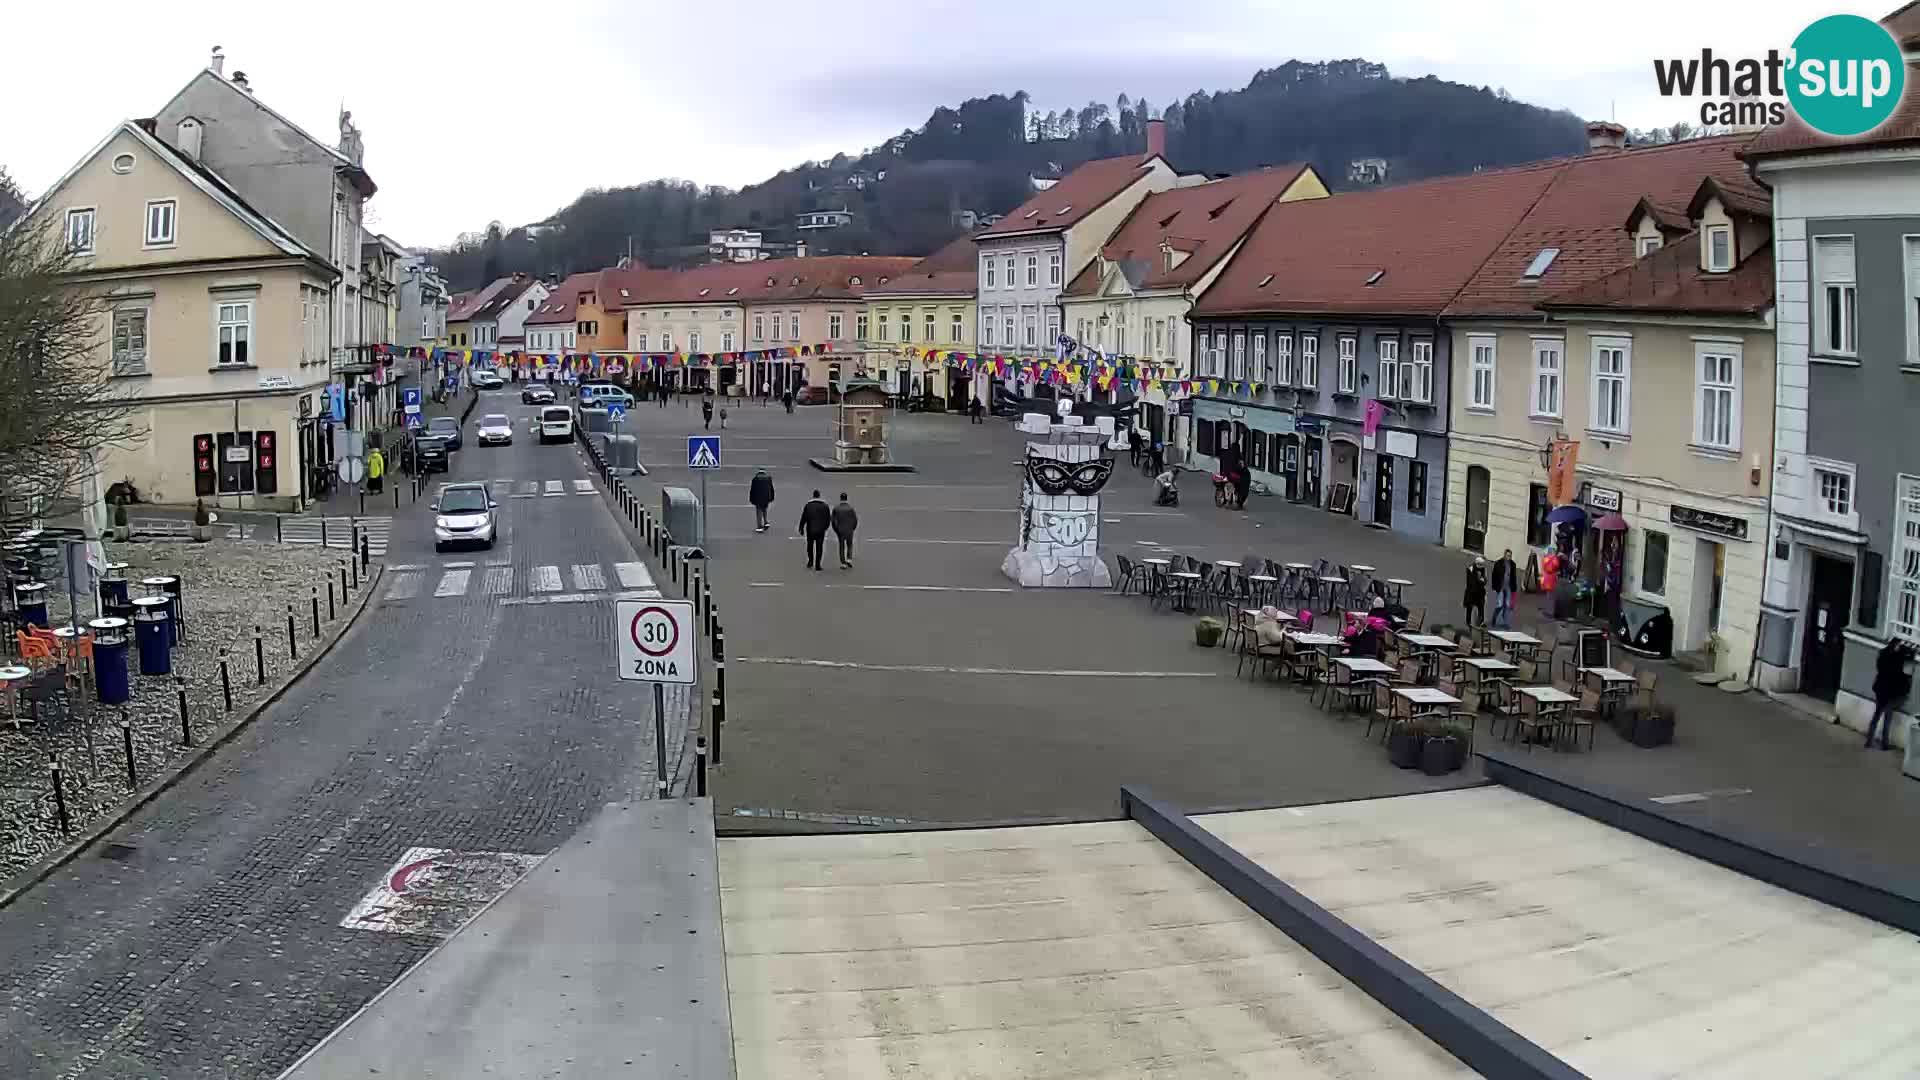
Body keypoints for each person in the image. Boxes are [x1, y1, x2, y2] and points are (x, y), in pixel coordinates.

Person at [1866, 638, 1915, 751]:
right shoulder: (1897, 658)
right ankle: (1884, 744)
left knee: (1876, 715)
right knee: (1887, 718)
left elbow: (1879, 668)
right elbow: (1902, 672)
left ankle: (1869, 740)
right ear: (1896, 645)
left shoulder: (1883, 654)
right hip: (1890, 693)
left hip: (1880, 690)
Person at [798, 490, 832, 570]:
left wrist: (801, 527)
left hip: (810, 528)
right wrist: (825, 527)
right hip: (820, 529)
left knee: (810, 546)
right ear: (819, 496)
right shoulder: (825, 506)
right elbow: (828, 519)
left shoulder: (808, 505)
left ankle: (810, 561)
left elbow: (804, 517)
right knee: (819, 547)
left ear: (813, 496)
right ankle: (818, 564)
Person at [1490, 548, 1518, 629]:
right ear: (1504, 555)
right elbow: (1494, 575)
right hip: (1500, 586)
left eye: (1510, 556)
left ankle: (1505, 623)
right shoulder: (1498, 563)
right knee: (1500, 605)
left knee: (1507, 605)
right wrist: (1494, 586)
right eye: (1508, 555)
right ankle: (1494, 618)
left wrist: (1514, 589)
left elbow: (1514, 577)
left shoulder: (1513, 564)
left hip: (1508, 587)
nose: (1509, 557)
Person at [831, 492, 859, 569]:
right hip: (849, 530)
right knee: (849, 545)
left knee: (841, 546)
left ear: (840, 498)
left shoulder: (836, 508)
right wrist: (853, 528)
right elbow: (855, 520)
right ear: (846, 498)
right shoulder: (851, 508)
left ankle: (843, 563)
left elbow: (833, 521)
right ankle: (849, 559)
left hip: (840, 530)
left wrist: (836, 530)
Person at [1463, 557, 1488, 627]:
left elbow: (1485, 580)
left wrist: (1482, 580)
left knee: (1481, 608)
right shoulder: (1470, 569)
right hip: (1471, 592)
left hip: (1480, 592)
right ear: (1476, 563)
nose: (1481, 566)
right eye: (1480, 564)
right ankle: (1468, 621)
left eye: (1482, 564)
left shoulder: (1483, 569)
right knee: (1469, 607)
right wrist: (1480, 580)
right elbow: (1471, 582)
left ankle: (1481, 622)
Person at [748, 468, 775, 532]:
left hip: (758, 498)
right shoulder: (768, 478)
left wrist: (751, 499)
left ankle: (759, 526)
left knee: (759, 511)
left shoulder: (755, 479)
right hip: (766, 497)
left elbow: (752, 490)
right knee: (764, 509)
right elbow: (771, 489)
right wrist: (771, 497)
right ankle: (766, 522)